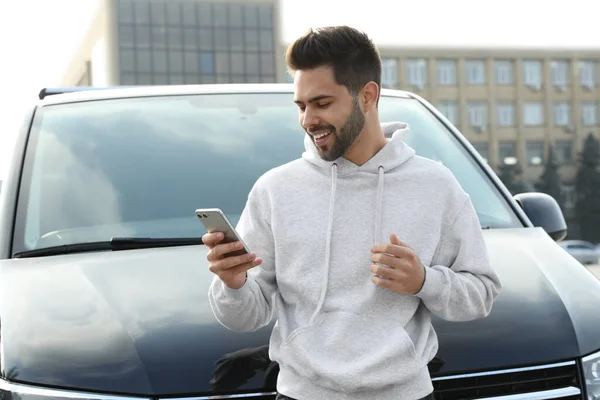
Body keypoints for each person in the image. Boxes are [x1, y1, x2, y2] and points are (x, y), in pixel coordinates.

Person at [205, 25, 503, 400]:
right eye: (301, 105)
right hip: (301, 395)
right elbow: (245, 316)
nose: (308, 119)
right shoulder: (275, 190)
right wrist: (233, 285)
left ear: (367, 96)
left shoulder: (435, 185)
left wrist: (424, 281)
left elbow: (482, 294)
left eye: (322, 103)